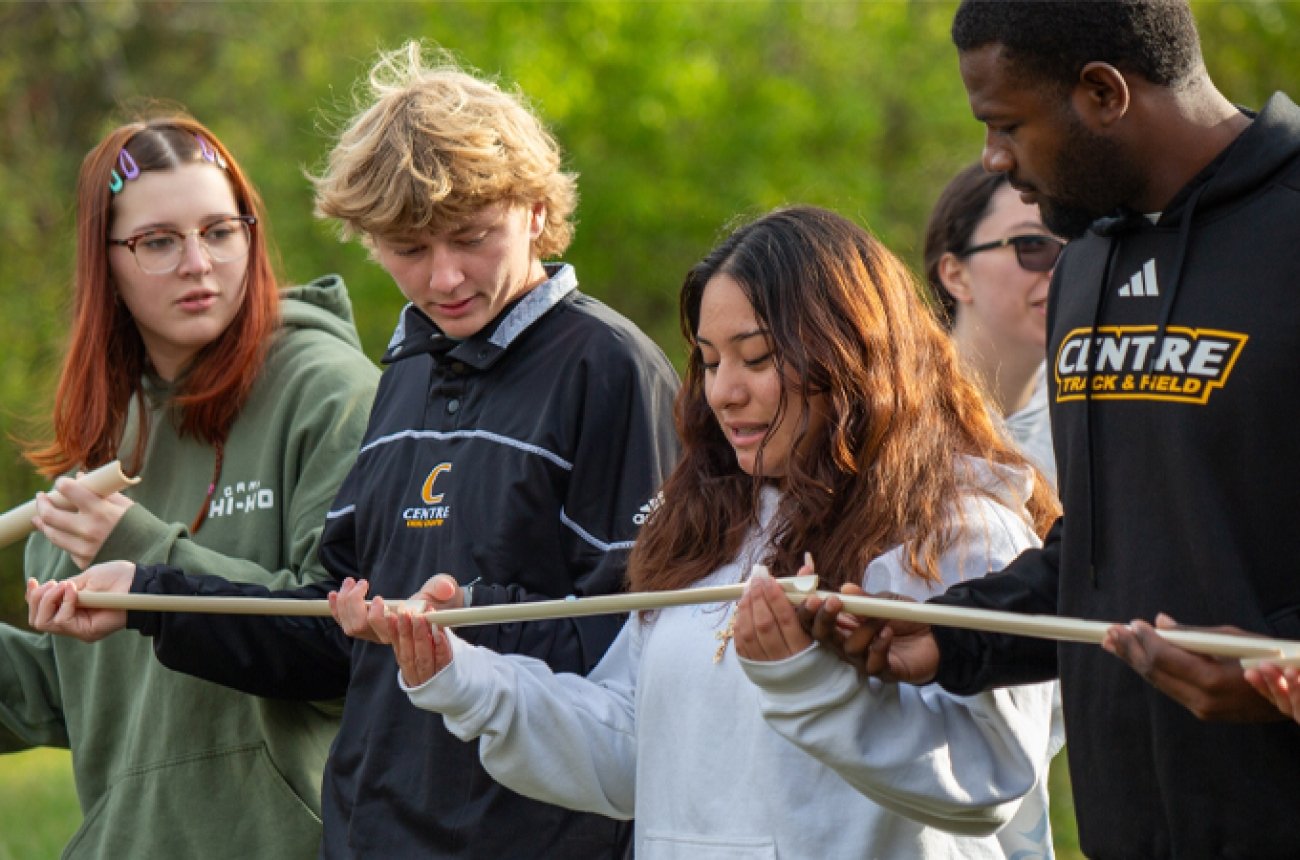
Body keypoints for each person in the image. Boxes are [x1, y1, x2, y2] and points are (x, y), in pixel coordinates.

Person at [29, 43, 679, 858]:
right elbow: (331, 631)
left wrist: (463, 623)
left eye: (473, 238)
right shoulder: (406, 368)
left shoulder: (609, 368)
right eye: (409, 250)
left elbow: (645, 652)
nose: (444, 278)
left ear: (537, 210)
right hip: (377, 836)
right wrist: (150, 594)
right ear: (368, 241)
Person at [377, 205, 1062, 857]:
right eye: (709, 360)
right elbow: (631, 751)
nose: (723, 391)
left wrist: (810, 683)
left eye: (756, 358)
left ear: (852, 354)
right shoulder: (707, 529)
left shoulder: (965, 530)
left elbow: (988, 779)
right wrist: (464, 677)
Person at [803, 1, 1300, 856]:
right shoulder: (1087, 266)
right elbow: (1104, 556)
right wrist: (952, 632)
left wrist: (1286, 673)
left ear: (1104, 94)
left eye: (1006, 127)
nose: (994, 160)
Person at [7, 116, 378, 857]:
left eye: (220, 230)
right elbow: (68, 695)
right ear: (104, 262)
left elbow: (350, 647)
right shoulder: (98, 433)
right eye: (158, 241)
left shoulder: (329, 393)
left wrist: (143, 553)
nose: (198, 263)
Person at [923, 162, 1065, 486]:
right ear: (956, 275)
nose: (1061, 271)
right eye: (1032, 245)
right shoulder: (891, 410)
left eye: (1078, 250)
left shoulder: (1090, 414)